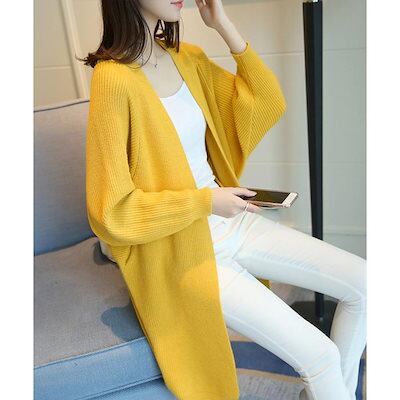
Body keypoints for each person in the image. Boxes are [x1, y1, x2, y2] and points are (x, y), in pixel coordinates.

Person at [80, 1, 366, 399]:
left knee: (366, 283)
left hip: (231, 220)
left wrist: (224, 26)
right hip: (182, 248)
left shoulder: (186, 58)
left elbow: (267, 103)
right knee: (321, 356)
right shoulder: (113, 79)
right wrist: (205, 202)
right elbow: (109, 212)